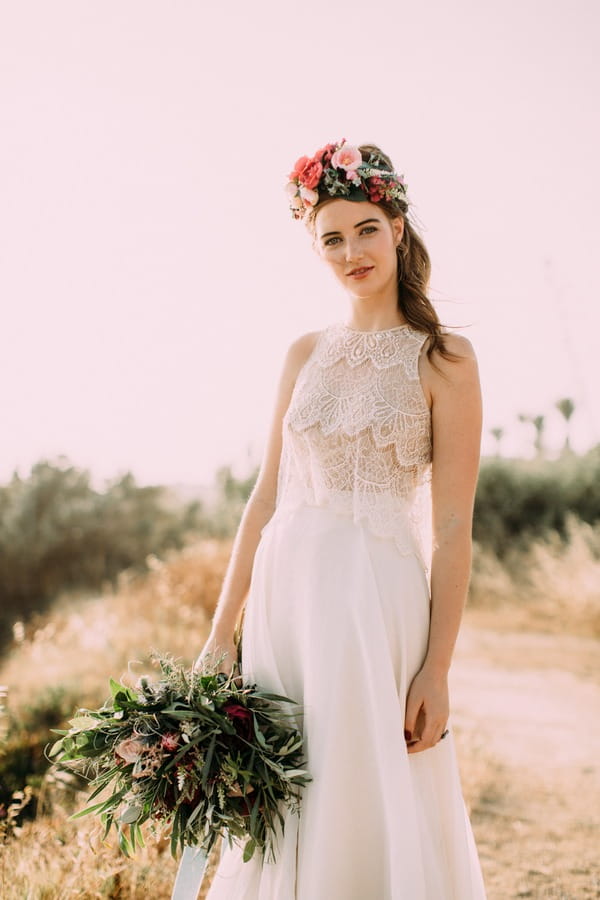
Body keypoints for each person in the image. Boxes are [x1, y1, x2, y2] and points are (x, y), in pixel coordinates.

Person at [193, 139, 487, 898]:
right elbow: (264, 498)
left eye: (365, 229)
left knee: (363, 784)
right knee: (286, 793)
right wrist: (221, 631)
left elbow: (454, 528)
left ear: (395, 224)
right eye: (331, 238)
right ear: (314, 248)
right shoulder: (302, 352)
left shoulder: (446, 359)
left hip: (374, 600)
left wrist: (438, 667)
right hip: (286, 602)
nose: (351, 251)